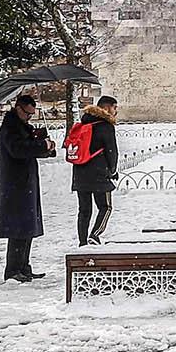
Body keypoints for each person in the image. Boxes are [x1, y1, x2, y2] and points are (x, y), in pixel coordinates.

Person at [0, 93, 55, 282]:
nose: (29, 117)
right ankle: (13, 270)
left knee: (27, 227)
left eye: (32, 114)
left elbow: (30, 148)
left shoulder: (22, 127)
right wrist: (39, 145)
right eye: (27, 113)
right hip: (14, 184)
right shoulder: (10, 128)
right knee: (17, 228)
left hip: (26, 181)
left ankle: (24, 266)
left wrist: (44, 144)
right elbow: (18, 149)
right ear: (18, 108)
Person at [67, 94, 120, 245]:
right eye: (114, 108)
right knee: (106, 207)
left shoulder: (83, 123)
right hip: (99, 173)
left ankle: (82, 241)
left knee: (84, 210)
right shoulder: (106, 126)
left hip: (80, 173)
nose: (115, 111)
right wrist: (113, 170)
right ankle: (95, 235)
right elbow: (112, 151)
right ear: (106, 108)